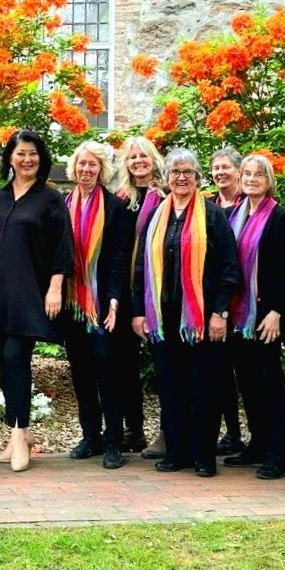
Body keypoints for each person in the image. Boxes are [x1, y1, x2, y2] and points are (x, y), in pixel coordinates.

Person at [130, 148, 240, 477]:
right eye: (175, 172)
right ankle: (177, 452)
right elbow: (141, 268)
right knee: (171, 386)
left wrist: (219, 312)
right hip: (164, 318)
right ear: (165, 178)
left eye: (187, 172)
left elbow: (229, 268)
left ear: (197, 177)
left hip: (202, 319)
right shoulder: (155, 216)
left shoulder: (212, 215)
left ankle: (203, 455)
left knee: (204, 387)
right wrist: (139, 312)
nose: (181, 177)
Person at [0, 129, 72, 473]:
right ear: (10, 157)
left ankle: (20, 436)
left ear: (41, 158)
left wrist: (55, 288)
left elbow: (63, 245)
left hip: (28, 294)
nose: (27, 159)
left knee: (15, 357)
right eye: (20, 153)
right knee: (3, 362)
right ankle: (16, 431)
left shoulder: (50, 198)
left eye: (33, 153)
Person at [59, 141, 134, 469]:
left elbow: (119, 257)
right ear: (74, 168)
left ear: (101, 170)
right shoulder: (63, 204)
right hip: (72, 304)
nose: (86, 170)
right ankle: (90, 436)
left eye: (93, 165)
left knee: (108, 372)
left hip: (103, 306)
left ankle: (113, 441)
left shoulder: (115, 208)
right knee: (81, 372)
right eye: (82, 164)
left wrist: (115, 300)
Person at [223, 153, 285, 480]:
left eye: (259, 174)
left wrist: (277, 311)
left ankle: (278, 454)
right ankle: (258, 444)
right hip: (239, 316)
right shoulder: (236, 214)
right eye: (247, 174)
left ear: (269, 181)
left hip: (265, 315)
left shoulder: (279, 217)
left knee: (269, 384)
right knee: (249, 383)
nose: (252, 179)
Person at [116, 136, 162, 457]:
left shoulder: (166, 196)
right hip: (126, 291)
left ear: (153, 159)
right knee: (125, 365)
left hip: (158, 288)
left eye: (143, 156)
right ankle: (133, 429)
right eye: (132, 157)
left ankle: (170, 432)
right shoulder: (120, 200)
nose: (138, 161)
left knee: (164, 363)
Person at [204, 146, 247, 459]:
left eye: (226, 168)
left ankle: (258, 439)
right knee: (219, 375)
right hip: (215, 301)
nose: (220, 173)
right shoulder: (208, 207)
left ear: (238, 171)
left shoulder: (251, 205)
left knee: (246, 374)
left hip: (245, 303)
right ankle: (231, 433)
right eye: (216, 168)